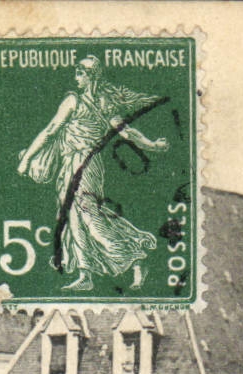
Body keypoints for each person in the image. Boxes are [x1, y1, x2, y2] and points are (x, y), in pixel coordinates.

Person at [17, 56, 169, 291]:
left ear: (91, 76)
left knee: (88, 214)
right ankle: (85, 273)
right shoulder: (102, 103)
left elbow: (50, 131)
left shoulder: (75, 101)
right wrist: (152, 145)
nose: (76, 78)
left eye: (80, 73)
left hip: (85, 164)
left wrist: (27, 159)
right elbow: (127, 132)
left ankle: (135, 257)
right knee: (72, 216)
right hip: (74, 163)